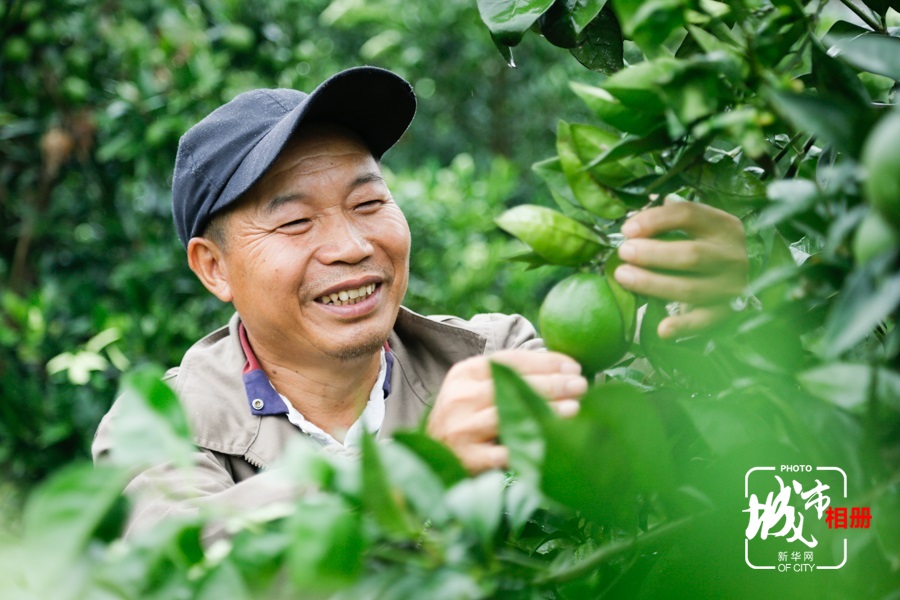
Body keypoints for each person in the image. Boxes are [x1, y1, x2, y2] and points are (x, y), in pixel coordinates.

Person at [92, 66, 748, 541]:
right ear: (214, 267)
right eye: (295, 223)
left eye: (369, 202)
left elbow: (665, 438)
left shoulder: (495, 357)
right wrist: (406, 472)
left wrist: (707, 317)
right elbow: (174, 566)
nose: (351, 246)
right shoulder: (160, 429)